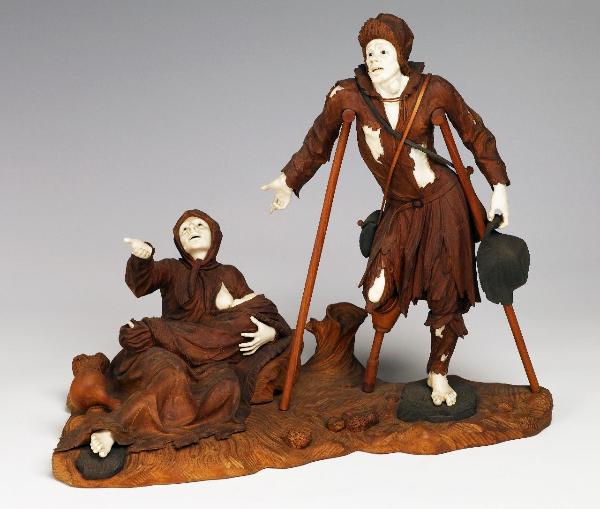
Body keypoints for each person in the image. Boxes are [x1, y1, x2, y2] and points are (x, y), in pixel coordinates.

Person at [262, 14, 510, 406]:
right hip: (400, 208)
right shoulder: (348, 96)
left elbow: (475, 133)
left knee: (445, 292)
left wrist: (498, 186)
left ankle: (438, 372)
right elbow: (318, 141)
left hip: (443, 203)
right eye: (369, 52)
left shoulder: (433, 90)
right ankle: (380, 334)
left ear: (401, 54)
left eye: (383, 50)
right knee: (377, 290)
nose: (374, 58)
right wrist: (289, 180)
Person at [57, 209, 291, 457]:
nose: (192, 230)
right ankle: (114, 429)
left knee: (227, 387)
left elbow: (258, 308)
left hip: (211, 360)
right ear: (179, 242)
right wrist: (142, 259)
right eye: (185, 229)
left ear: (214, 234)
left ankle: (163, 417)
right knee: (172, 377)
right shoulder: (172, 268)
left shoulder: (229, 274)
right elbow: (142, 283)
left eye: (199, 225)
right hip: (165, 347)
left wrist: (269, 332)